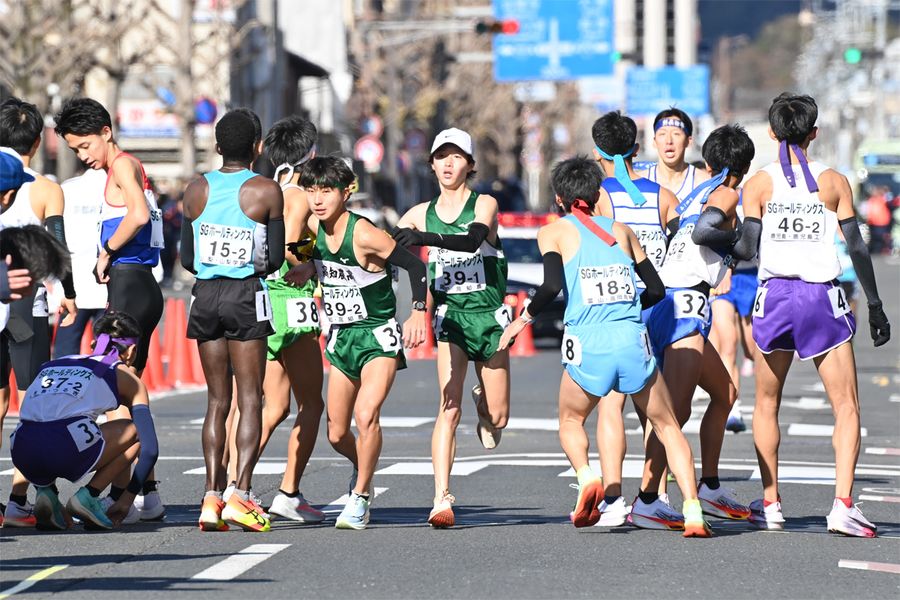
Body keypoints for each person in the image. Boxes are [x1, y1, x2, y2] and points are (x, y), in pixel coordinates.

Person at [498, 156, 711, 537]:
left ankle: (587, 476)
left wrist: (521, 321)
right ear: (598, 194)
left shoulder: (554, 233)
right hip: (632, 338)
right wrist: (629, 311)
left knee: (570, 420)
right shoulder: (622, 230)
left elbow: (548, 288)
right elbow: (657, 289)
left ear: (560, 199)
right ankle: (692, 508)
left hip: (587, 340)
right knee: (667, 425)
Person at [738, 93, 891, 537]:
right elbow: (857, 247)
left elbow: (747, 247)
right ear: (814, 133)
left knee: (766, 403)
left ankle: (770, 503)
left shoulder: (758, 185)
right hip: (821, 295)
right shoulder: (833, 182)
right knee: (846, 406)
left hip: (774, 295)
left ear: (770, 134)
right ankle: (842, 505)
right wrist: (876, 305)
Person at [284, 156, 428, 530]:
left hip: (377, 335)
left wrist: (416, 311)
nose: (317, 199)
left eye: (326, 191)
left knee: (366, 415)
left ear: (346, 191)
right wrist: (305, 267)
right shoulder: (314, 228)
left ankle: (361, 496)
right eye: (311, 190)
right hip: (342, 336)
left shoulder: (364, 233)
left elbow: (416, 266)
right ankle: (363, 467)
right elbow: (301, 255)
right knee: (335, 433)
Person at [392, 128, 511, 527]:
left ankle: (486, 403)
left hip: (489, 317)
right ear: (431, 164)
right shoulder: (415, 213)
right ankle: (441, 496)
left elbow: (473, 241)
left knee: (499, 417)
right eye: (441, 156)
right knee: (448, 407)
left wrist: (422, 238)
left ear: (470, 165)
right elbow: (385, 251)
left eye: (457, 156)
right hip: (450, 317)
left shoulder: (485, 204)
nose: (448, 163)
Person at [639, 124, 757, 526]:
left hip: (675, 302)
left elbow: (683, 235)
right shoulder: (726, 192)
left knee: (725, 393)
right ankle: (647, 497)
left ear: (708, 162)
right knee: (676, 412)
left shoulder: (696, 191)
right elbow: (708, 231)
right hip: (683, 304)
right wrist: (740, 237)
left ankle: (709, 484)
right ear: (743, 167)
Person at [55, 97, 166, 520]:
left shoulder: (122, 165)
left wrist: (106, 251)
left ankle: (119, 494)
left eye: (85, 146)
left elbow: (136, 215)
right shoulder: (126, 167)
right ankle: (143, 494)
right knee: (126, 390)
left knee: (118, 392)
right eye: (75, 150)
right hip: (137, 286)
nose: (84, 156)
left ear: (106, 132)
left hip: (129, 283)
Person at [180, 109, 285, 532]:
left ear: (218, 147)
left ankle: (210, 495)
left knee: (216, 401)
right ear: (258, 147)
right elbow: (274, 259)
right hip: (246, 293)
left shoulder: (195, 190)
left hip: (205, 295)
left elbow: (187, 259)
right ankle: (240, 492)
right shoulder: (266, 191)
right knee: (251, 397)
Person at [590, 111, 679, 526]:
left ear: (597, 154)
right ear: (637, 151)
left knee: (613, 403)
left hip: (616, 310)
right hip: (660, 309)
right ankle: (653, 494)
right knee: (657, 410)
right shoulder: (663, 196)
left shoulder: (599, 198)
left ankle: (612, 499)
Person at [9, 310, 159, 530]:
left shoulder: (54, 363)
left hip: (22, 448)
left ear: (92, 344)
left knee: (41, 423)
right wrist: (126, 500)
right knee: (134, 430)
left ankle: (46, 492)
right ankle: (89, 495)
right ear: (132, 351)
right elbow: (150, 450)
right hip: (63, 447)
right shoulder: (127, 377)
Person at [256, 115, 325, 524]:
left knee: (272, 405)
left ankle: (232, 485)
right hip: (290, 300)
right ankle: (288, 490)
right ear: (310, 154)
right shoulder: (297, 195)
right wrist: (313, 263)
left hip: (263, 301)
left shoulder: (262, 190)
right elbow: (291, 252)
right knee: (311, 402)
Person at [708, 190, 759, 434]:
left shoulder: (751, 195)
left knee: (751, 350)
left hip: (750, 276)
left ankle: (764, 404)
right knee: (728, 344)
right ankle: (733, 408)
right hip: (722, 279)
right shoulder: (711, 198)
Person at [53, 168, 109, 357]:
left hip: (73, 283)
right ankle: (102, 382)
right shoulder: (119, 187)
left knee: (66, 348)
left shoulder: (67, 189)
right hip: (109, 281)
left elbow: (54, 236)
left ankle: (64, 386)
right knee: (106, 347)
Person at [637, 108, 711, 201]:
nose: (669, 141)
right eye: (662, 134)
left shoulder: (704, 183)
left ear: (689, 141)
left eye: (676, 134)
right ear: (654, 142)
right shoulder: (639, 183)